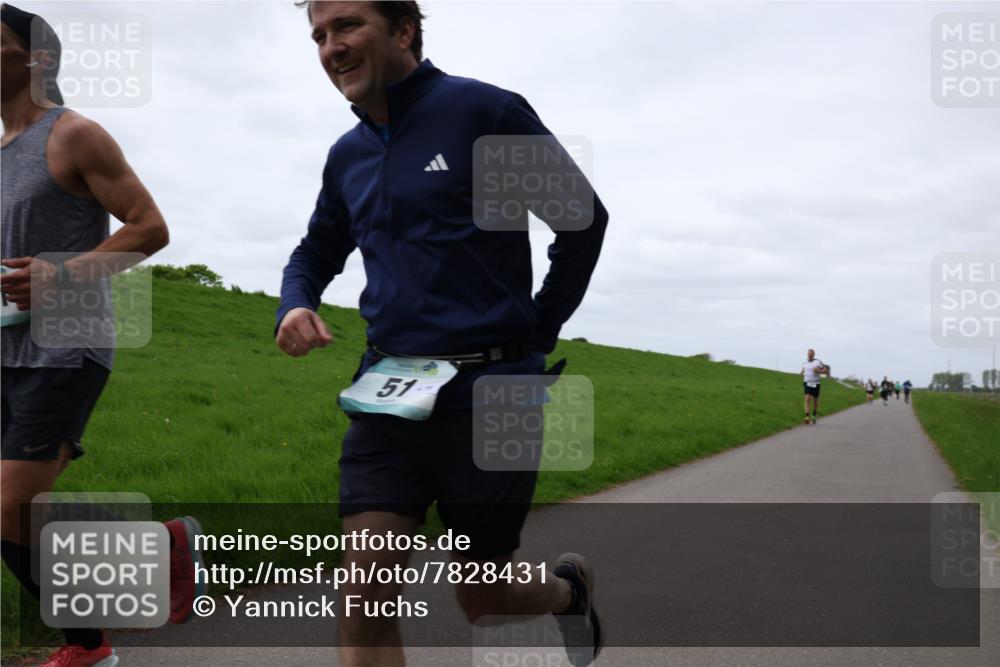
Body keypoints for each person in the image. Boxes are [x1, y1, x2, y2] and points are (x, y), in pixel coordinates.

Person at [276, 2, 608, 666]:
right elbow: (313, 252)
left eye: (346, 26)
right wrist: (294, 303)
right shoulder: (347, 156)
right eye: (319, 35)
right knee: (364, 588)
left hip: (497, 394)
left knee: (484, 596)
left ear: (403, 30)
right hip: (390, 390)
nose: (330, 47)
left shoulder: (484, 114)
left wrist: (535, 332)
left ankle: (568, 594)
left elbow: (581, 221)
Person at [1, 6, 200, 666]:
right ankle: (148, 565)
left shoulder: (75, 134)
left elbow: (149, 226)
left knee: (11, 504)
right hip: (4, 350)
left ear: (39, 59)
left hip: (64, 345)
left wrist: (61, 275)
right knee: (15, 511)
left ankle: (92, 641)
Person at [799, 349, 829, 424]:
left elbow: (826, 370)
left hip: (816, 383)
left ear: (813, 355)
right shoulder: (804, 362)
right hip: (807, 382)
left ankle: (814, 416)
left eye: (811, 354)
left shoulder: (818, 362)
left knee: (815, 401)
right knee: (807, 399)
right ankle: (807, 417)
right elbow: (803, 371)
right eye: (808, 354)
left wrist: (818, 371)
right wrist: (801, 373)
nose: (810, 355)